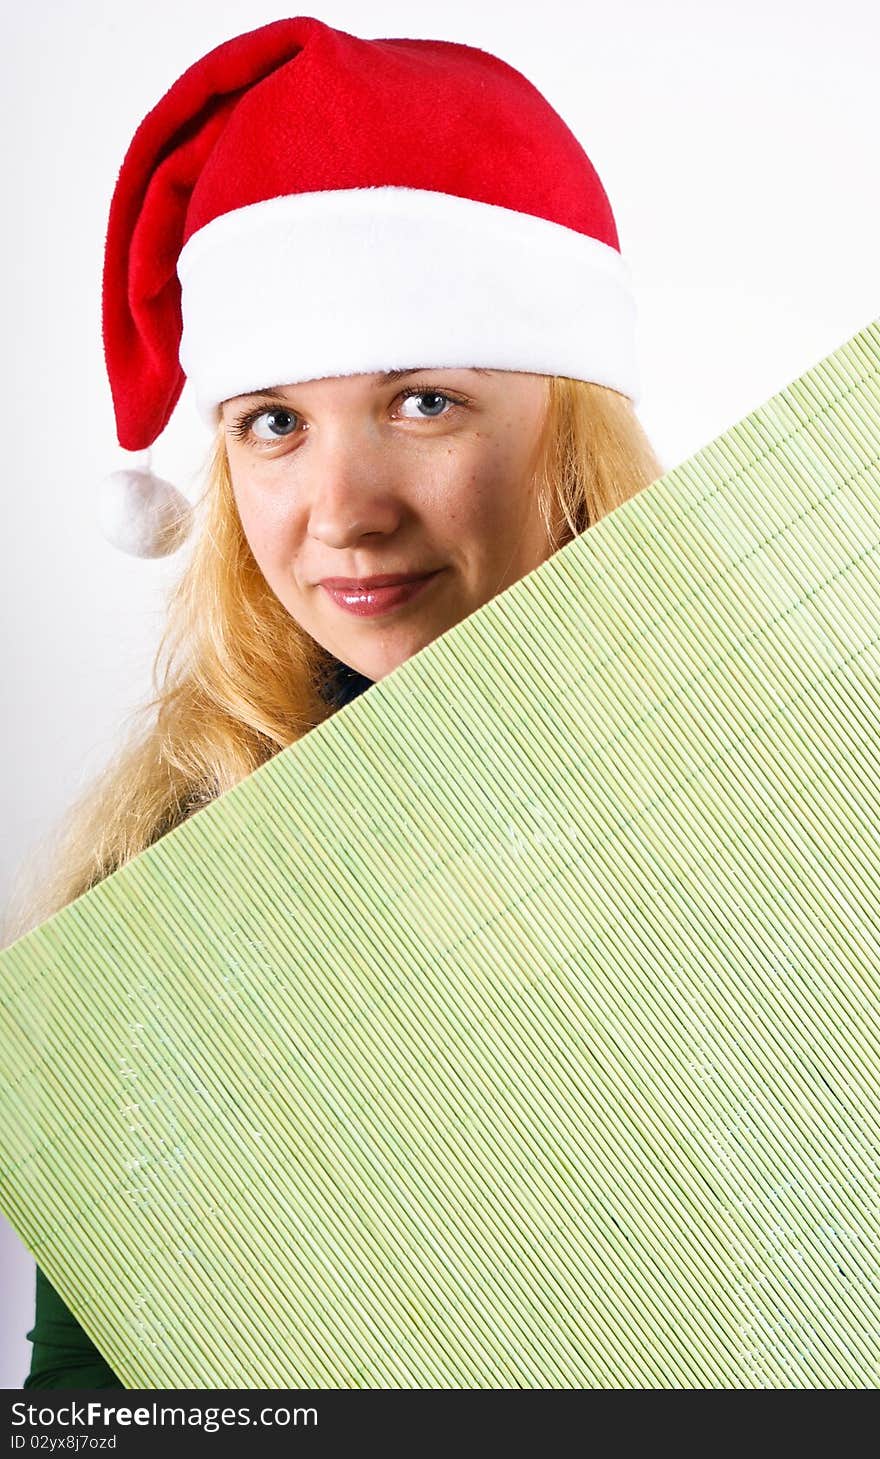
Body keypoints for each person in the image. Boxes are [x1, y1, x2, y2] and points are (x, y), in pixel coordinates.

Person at [10, 14, 664, 1388]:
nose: (342, 516)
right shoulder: (159, 872)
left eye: (424, 401)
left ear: (570, 431)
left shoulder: (799, 792)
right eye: (274, 423)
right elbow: (88, 1395)